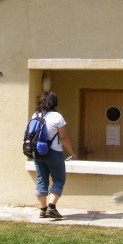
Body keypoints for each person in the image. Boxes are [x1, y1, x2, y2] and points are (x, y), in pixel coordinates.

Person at [32, 91, 76, 219]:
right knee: (59, 179)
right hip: (54, 152)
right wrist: (71, 152)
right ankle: (51, 207)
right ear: (54, 102)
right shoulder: (57, 116)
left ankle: (42, 210)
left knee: (41, 180)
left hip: (38, 152)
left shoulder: (36, 114)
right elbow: (63, 137)